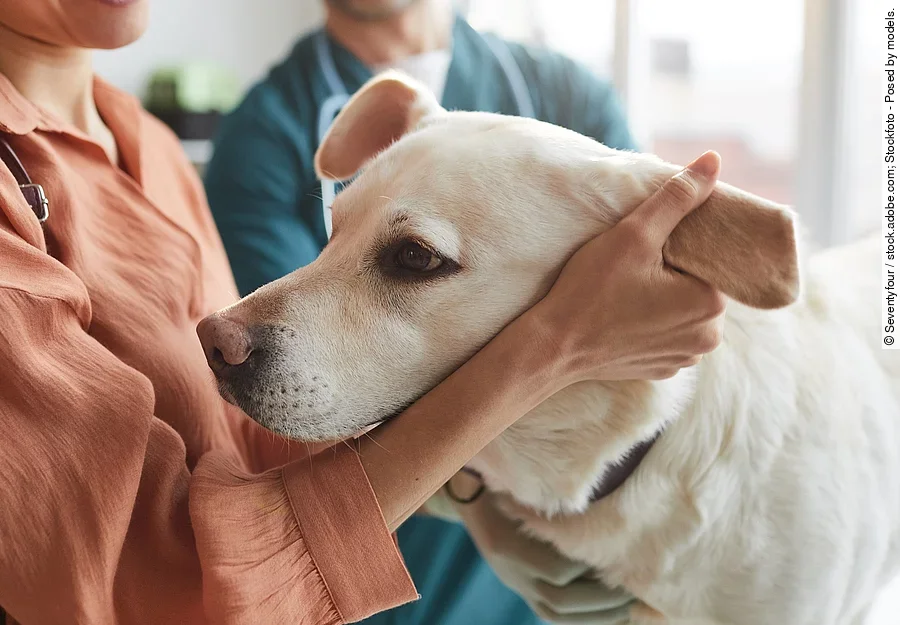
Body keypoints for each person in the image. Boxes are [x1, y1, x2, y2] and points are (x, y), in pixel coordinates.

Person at [0, 1, 725, 624]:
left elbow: (245, 444)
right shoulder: (263, 134)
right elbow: (291, 393)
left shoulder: (150, 144)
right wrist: (554, 344)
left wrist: (471, 498)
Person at [204, 0, 644, 622]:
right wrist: (475, 502)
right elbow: (294, 384)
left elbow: (646, 322)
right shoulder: (262, 134)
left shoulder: (569, 98)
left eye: (413, 256)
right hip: (388, 577)